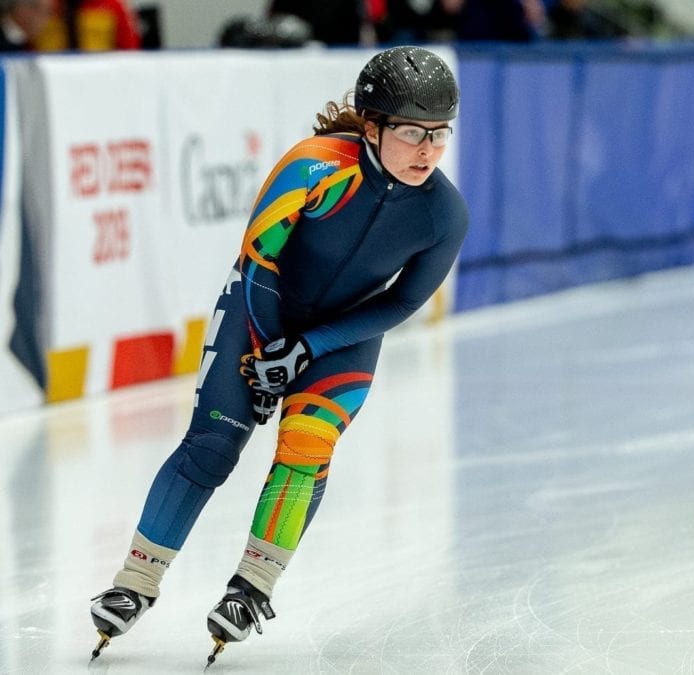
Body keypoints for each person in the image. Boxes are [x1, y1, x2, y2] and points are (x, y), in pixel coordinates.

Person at [88, 45, 469, 666]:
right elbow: (258, 259)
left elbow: (402, 304)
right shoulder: (314, 165)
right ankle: (135, 582)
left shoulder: (445, 214)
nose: (427, 150)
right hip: (257, 311)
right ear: (371, 126)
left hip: (341, 337)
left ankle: (251, 586)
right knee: (212, 446)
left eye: (438, 134)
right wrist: (269, 352)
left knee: (306, 448)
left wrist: (309, 347)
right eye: (410, 133)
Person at [31, 0, 140, 51]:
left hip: (100, 78)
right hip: (51, 81)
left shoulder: (113, 6)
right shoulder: (40, 8)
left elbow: (130, 52)